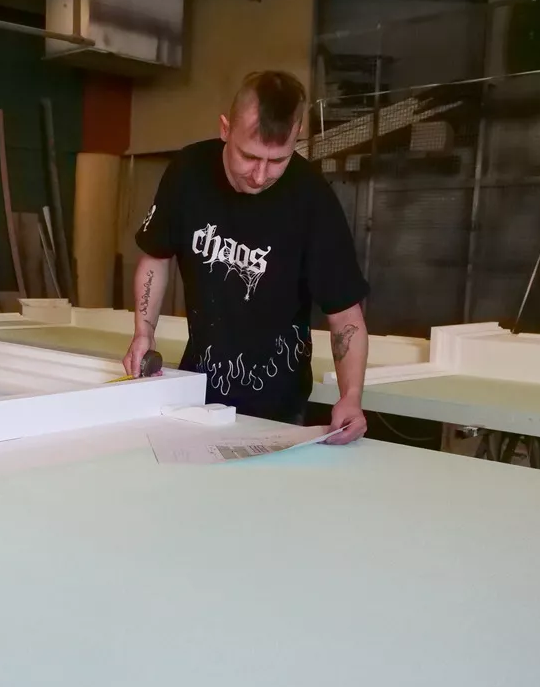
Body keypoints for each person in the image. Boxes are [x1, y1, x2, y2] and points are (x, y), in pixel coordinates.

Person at [122, 70, 370, 444]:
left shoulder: (312, 198)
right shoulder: (188, 172)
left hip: (279, 409)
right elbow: (156, 257)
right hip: (195, 393)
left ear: (297, 136)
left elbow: (346, 315)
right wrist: (144, 332)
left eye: (277, 160)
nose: (259, 175)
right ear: (226, 129)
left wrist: (351, 397)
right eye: (249, 156)